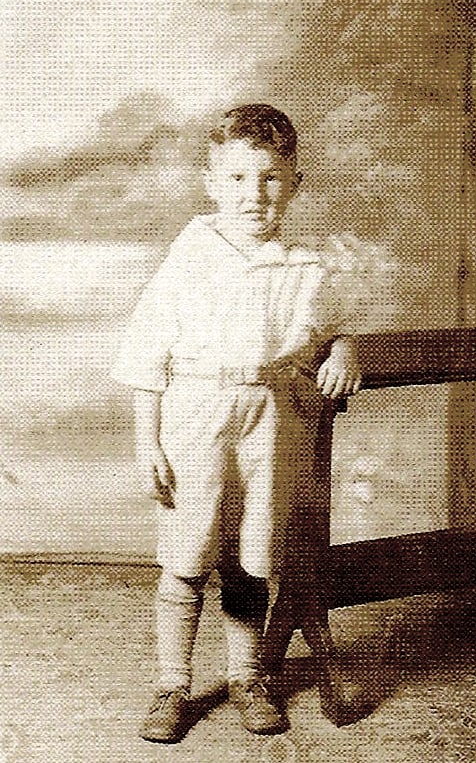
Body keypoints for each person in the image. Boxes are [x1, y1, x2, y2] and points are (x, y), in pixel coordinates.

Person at [111, 103, 363, 742]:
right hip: (198, 417)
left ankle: (248, 674)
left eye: (272, 178)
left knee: (251, 560)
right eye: (239, 179)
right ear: (212, 182)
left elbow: (329, 326)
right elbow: (147, 353)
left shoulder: (305, 267)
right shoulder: (190, 258)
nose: (255, 196)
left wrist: (343, 349)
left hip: (268, 425)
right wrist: (148, 444)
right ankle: (174, 683)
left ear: (294, 183)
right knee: (187, 557)